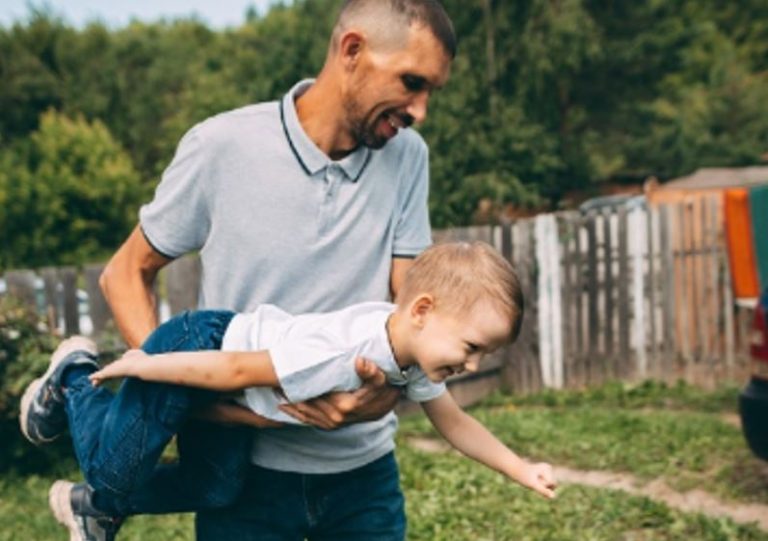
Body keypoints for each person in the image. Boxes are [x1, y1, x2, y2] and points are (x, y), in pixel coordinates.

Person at [37, 0, 459, 539]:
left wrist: (390, 389)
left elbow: (410, 305)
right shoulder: (222, 146)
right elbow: (124, 273)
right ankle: (72, 384)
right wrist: (189, 396)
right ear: (352, 50)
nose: (420, 109)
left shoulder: (409, 158)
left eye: (430, 92)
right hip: (242, 474)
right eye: (411, 82)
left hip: (364, 477)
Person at [21, 243, 556, 539]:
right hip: (198, 347)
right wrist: (146, 365)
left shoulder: (414, 355)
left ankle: (88, 508)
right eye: (471, 346)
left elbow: (456, 422)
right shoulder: (341, 351)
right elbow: (232, 369)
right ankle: (72, 373)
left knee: (215, 489)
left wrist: (520, 468)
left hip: (231, 381)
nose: (472, 362)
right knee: (112, 468)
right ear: (421, 311)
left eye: (483, 354)